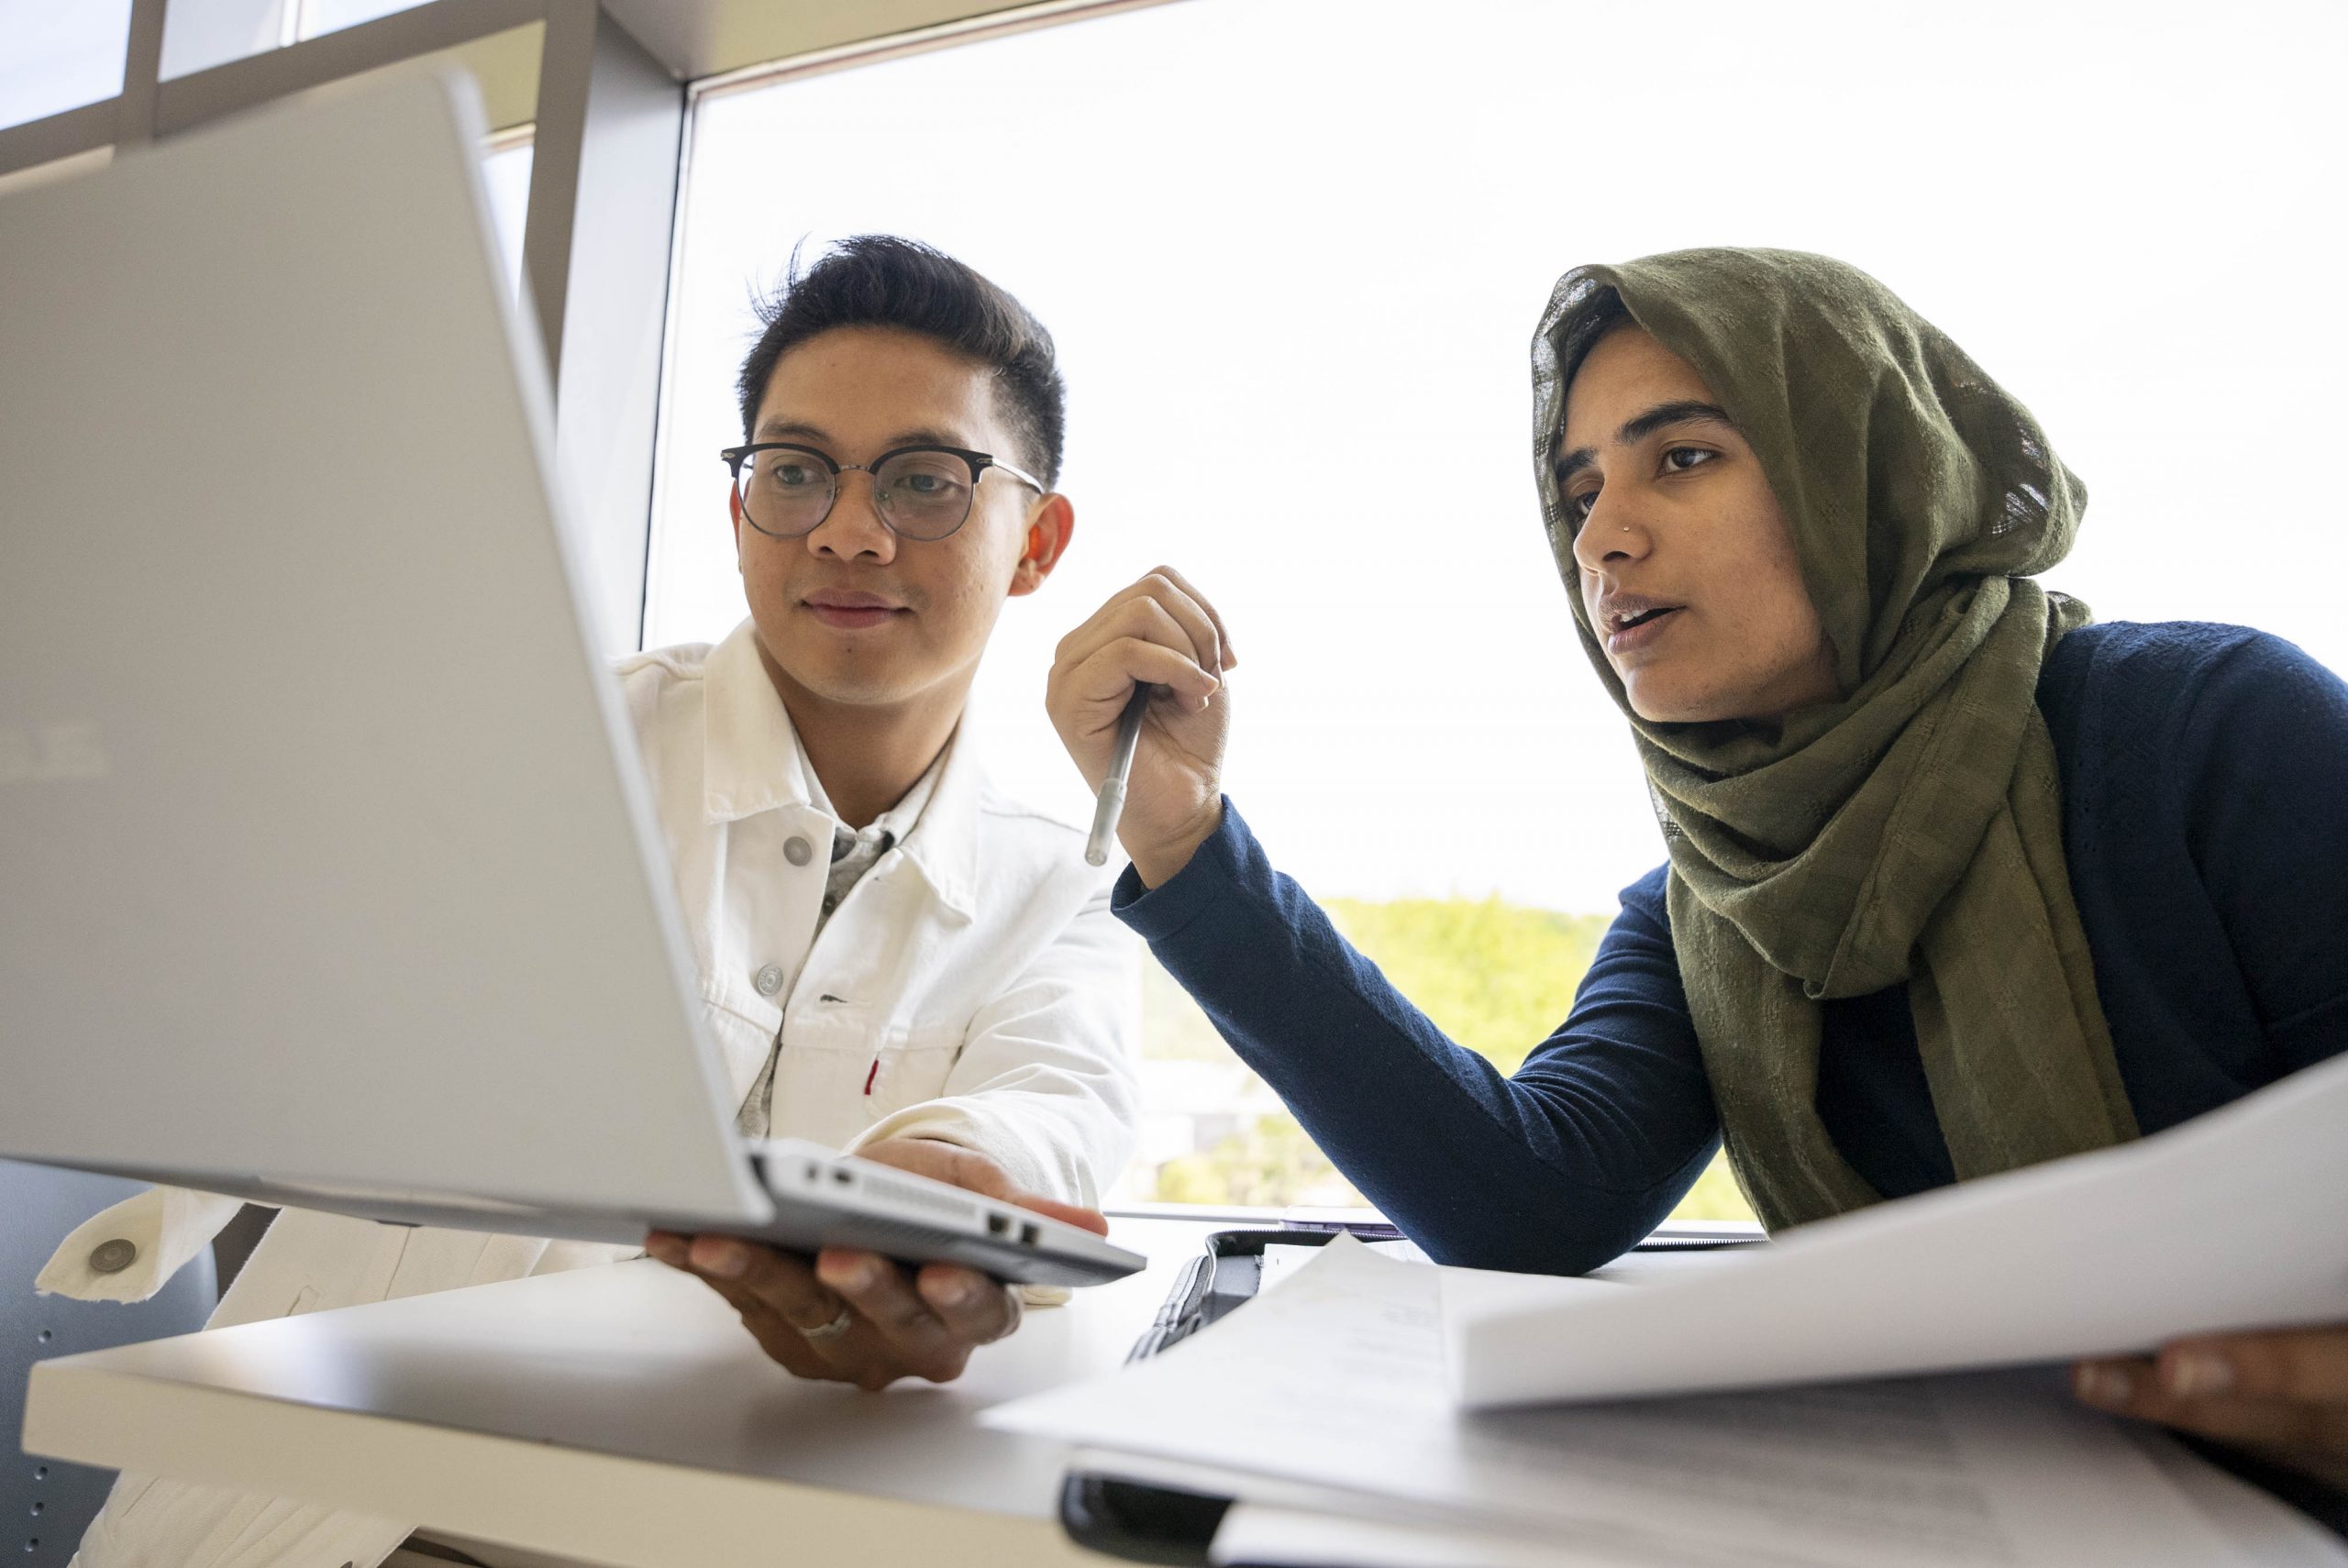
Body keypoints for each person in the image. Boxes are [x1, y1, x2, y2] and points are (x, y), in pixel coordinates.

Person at [1045, 249, 2348, 1505]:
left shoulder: (2212, 734)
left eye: (1682, 456)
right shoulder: (1709, 904)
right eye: (1576, 494)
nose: (1602, 538)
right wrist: (1186, 833)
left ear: (1862, 466)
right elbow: (1524, 1201)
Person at [41, 236, 1139, 1568]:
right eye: (794, 472)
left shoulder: (1064, 873)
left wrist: (948, 1183)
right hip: (339, 1517)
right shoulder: (534, 745)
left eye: (925, 479)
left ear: (1038, 540)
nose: (849, 530)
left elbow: (1061, 1106)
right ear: (741, 509)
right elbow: (244, 980)